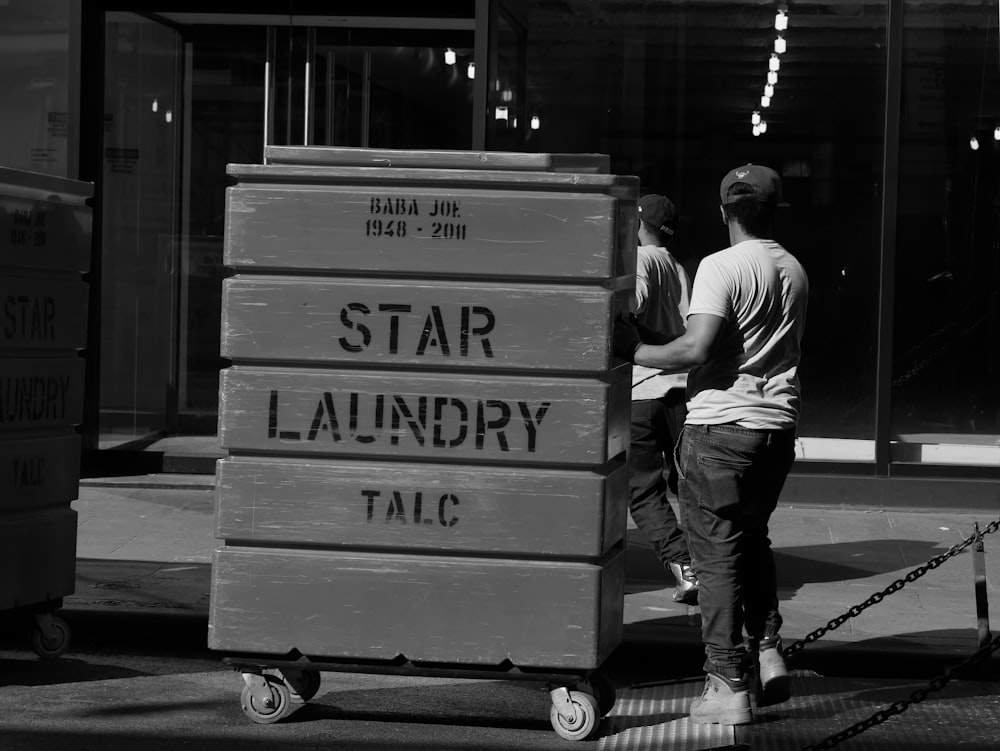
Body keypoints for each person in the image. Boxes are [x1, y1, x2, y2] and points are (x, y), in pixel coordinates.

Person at [614, 164, 809, 726]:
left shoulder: (721, 265)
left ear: (725, 211)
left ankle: (726, 683)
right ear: (774, 210)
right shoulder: (793, 268)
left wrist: (636, 352)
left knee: (715, 553)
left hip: (722, 426)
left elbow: (698, 348)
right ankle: (768, 650)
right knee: (753, 538)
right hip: (776, 427)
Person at [627, 193, 698, 605]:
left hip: (643, 389)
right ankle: (709, 565)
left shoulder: (642, 259)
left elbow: (633, 300)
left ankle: (683, 565)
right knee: (684, 485)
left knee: (642, 490)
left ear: (638, 223)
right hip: (678, 392)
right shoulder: (675, 265)